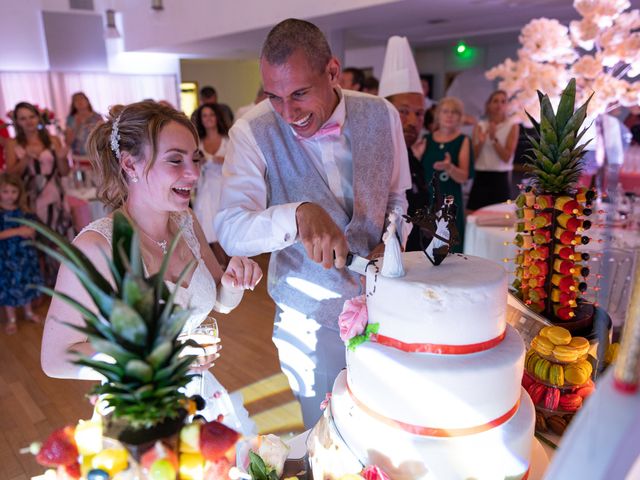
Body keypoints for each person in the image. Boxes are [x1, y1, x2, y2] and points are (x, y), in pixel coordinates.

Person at [214, 18, 411, 427]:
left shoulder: (383, 114)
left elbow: (396, 198)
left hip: (388, 307)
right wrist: (298, 214)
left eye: (300, 93)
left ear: (333, 72)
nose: (287, 112)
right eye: (275, 97)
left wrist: (391, 242)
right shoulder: (251, 131)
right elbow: (231, 227)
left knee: (386, 424)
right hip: (309, 322)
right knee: (327, 435)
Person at [41, 101, 262, 431]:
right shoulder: (96, 248)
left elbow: (220, 302)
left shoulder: (186, 221)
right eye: (176, 160)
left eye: (195, 159)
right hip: (139, 412)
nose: (193, 173)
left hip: (202, 396)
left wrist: (233, 282)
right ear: (130, 164)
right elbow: (56, 359)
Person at [5, 101, 74, 284]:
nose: (28, 122)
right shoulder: (12, 143)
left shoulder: (52, 140)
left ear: (38, 117)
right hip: (30, 199)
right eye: (23, 118)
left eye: (31, 117)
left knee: (59, 240)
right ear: (17, 122)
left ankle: (66, 283)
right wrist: (26, 158)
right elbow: (11, 175)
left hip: (54, 197)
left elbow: (64, 172)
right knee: (38, 243)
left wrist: (61, 158)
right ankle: (46, 287)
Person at [378, 35, 429, 252]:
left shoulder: (412, 158)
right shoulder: (376, 157)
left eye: (418, 114)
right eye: (403, 112)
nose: (412, 122)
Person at [420, 97, 471, 251]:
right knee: (426, 248)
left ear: (460, 117)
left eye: (454, 112)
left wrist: (450, 168)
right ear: (438, 115)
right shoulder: (425, 139)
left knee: (450, 247)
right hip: (427, 199)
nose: (449, 115)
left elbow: (463, 176)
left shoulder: (463, 140)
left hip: (450, 203)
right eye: (445, 111)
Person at [0, 173, 43, 335]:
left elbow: (33, 229)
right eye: (5, 191)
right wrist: (18, 231)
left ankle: (29, 312)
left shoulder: (24, 212)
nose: (10, 196)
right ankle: (11, 318)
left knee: (27, 282)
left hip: (24, 255)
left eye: (13, 192)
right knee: (8, 285)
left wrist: (31, 232)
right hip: (5, 258)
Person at [192, 103, 231, 267]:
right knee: (209, 226)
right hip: (207, 189)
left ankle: (233, 263)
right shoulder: (198, 142)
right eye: (204, 116)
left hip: (226, 188)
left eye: (211, 115)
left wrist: (220, 160)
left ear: (217, 117)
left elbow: (238, 163)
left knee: (228, 228)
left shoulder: (228, 139)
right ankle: (221, 266)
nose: (208, 119)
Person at [467, 90, 519, 210]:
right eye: (495, 101)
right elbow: (473, 158)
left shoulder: (512, 126)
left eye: (503, 101)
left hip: (500, 178)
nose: (499, 104)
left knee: (501, 217)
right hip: (481, 176)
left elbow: (506, 158)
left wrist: (493, 138)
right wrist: (480, 142)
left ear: (507, 105)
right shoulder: (480, 126)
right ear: (489, 105)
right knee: (473, 215)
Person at [65, 92, 103, 160]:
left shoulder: (97, 117)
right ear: (73, 104)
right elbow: (68, 142)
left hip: (96, 156)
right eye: (76, 100)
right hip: (78, 157)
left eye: (82, 99)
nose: (79, 101)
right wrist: (77, 126)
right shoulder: (71, 119)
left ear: (87, 101)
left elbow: (103, 137)